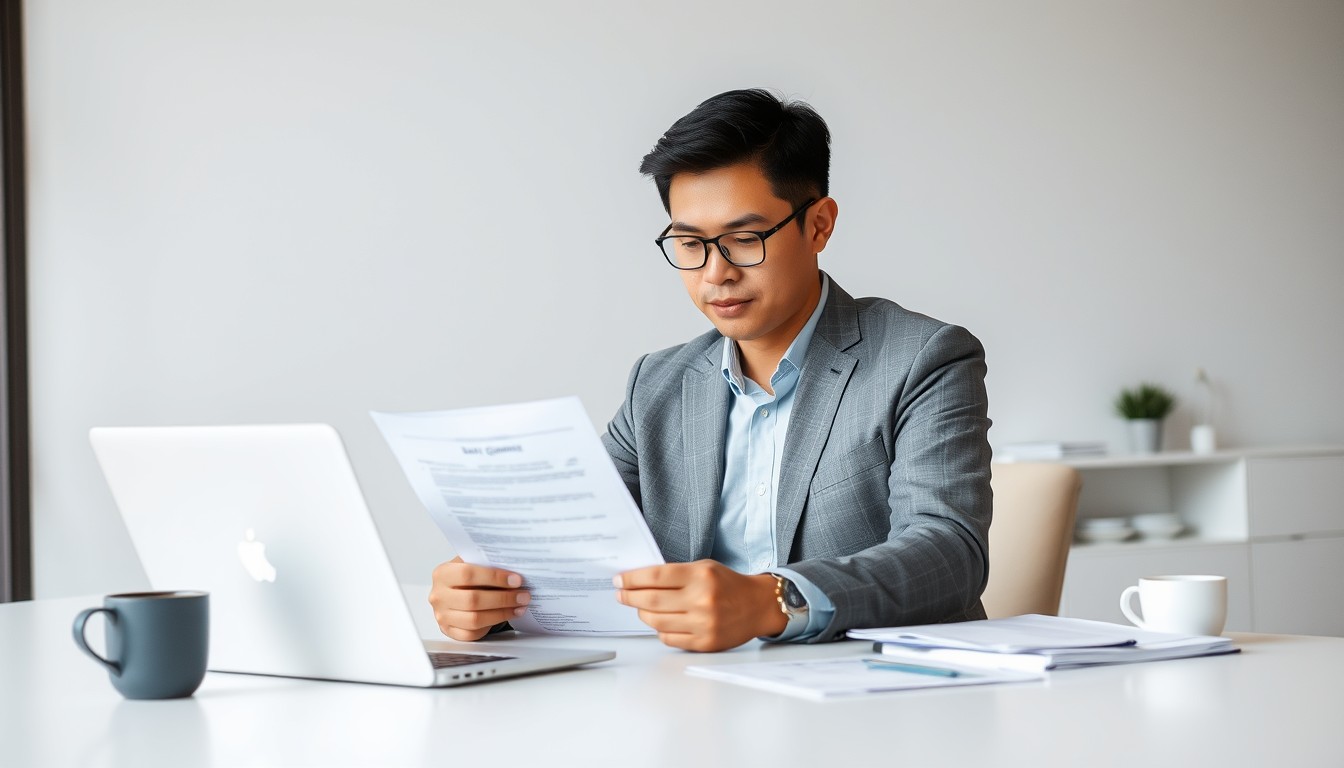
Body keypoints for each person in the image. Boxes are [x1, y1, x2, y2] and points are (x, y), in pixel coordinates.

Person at [429, 89, 992, 652]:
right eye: (690, 243)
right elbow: (577, 549)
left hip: (883, 698)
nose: (715, 273)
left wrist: (772, 600)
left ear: (818, 225)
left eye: (744, 239)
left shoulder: (923, 357)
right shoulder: (658, 383)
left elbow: (948, 551)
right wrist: (492, 596)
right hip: (697, 697)